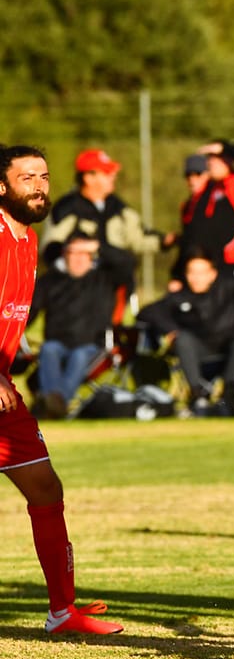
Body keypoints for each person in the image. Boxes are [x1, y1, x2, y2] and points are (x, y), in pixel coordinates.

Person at [0, 144, 123, 634]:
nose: (38, 186)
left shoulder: (28, 241)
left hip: (4, 393)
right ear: (2, 186)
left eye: (44, 177)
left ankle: (61, 612)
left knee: (46, 487)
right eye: (26, 177)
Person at [137, 247, 234, 416]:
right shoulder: (179, 296)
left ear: (212, 274)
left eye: (202, 272)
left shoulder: (228, 287)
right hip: (196, 353)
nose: (197, 278)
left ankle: (229, 395)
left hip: (230, 350)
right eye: (192, 272)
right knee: (183, 339)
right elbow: (147, 312)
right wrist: (171, 330)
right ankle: (197, 395)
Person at [41, 148, 177, 314]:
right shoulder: (67, 208)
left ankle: (113, 327)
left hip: (114, 276)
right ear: (88, 177)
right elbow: (50, 248)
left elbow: (138, 237)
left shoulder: (118, 208)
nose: (113, 176)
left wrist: (166, 241)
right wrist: (75, 256)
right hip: (79, 280)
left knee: (126, 264)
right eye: (106, 173)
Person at [28, 232, 136, 419]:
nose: (78, 258)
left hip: (94, 345)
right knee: (49, 349)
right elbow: (30, 311)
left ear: (91, 255)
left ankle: (54, 404)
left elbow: (128, 263)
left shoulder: (105, 278)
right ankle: (55, 403)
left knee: (79, 355)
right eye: (73, 252)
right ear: (64, 254)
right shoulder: (50, 281)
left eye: (84, 253)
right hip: (57, 343)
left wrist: (98, 246)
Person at [171, 140, 234, 283]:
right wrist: (177, 275)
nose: (212, 163)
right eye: (210, 159)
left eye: (217, 158)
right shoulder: (205, 193)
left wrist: (226, 148)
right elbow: (193, 235)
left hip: (231, 265)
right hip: (206, 269)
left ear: (228, 160)